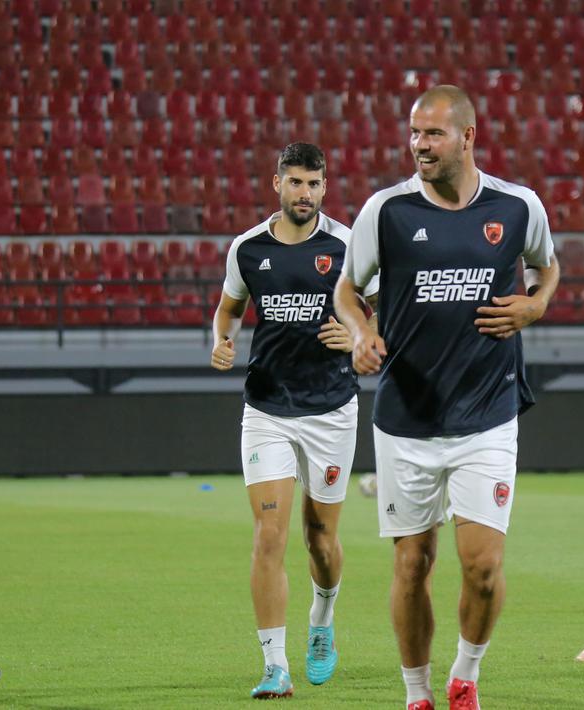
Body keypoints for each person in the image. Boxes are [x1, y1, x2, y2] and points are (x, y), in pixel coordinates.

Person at [334, 85, 559, 710]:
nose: (418, 146)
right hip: (407, 416)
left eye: (431, 134)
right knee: (413, 565)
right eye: (413, 134)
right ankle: (417, 693)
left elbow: (546, 268)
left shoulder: (518, 207)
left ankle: (465, 676)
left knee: (483, 566)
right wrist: (361, 333)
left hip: (488, 412)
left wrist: (535, 303)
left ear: (467, 135)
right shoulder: (386, 211)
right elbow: (348, 292)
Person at [211, 142, 376, 699]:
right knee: (268, 536)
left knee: (321, 540)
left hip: (331, 409)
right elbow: (230, 307)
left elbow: (388, 304)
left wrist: (358, 332)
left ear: (325, 186)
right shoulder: (248, 248)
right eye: (295, 182)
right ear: (276, 183)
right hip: (267, 409)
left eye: (313, 183)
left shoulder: (348, 244)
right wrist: (221, 340)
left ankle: (322, 622)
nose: (303, 193)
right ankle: (274, 666)